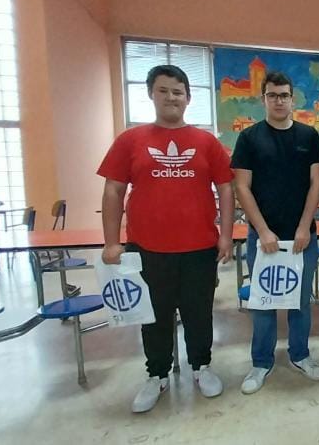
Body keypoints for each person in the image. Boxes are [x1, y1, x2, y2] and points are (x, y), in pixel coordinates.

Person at [97, 64, 234, 412]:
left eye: (178, 92)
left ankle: (202, 367)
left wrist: (226, 235)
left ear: (188, 98)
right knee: (154, 316)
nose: (171, 97)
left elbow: (226, 189)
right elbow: (113, 190)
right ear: (151, 94)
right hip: (147, 249)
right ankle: (156, 374)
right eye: (164, 90)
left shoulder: (206, 142)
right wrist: (111, 242)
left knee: (199, 312)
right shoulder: (131, 140)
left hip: (199, 248)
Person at [231, 71, 319, 394]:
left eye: (284, 95)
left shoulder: (308, 136)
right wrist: (263, 230)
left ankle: (301, 355)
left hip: (302, 237)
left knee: (301, 301)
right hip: (263, 238)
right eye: (272, 95)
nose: (279, 101)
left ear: (291, 99)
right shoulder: (249, 138)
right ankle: (261, 362)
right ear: (263, 99)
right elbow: (242, 187)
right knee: (263, 304)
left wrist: (304, 227)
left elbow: (316, 183)